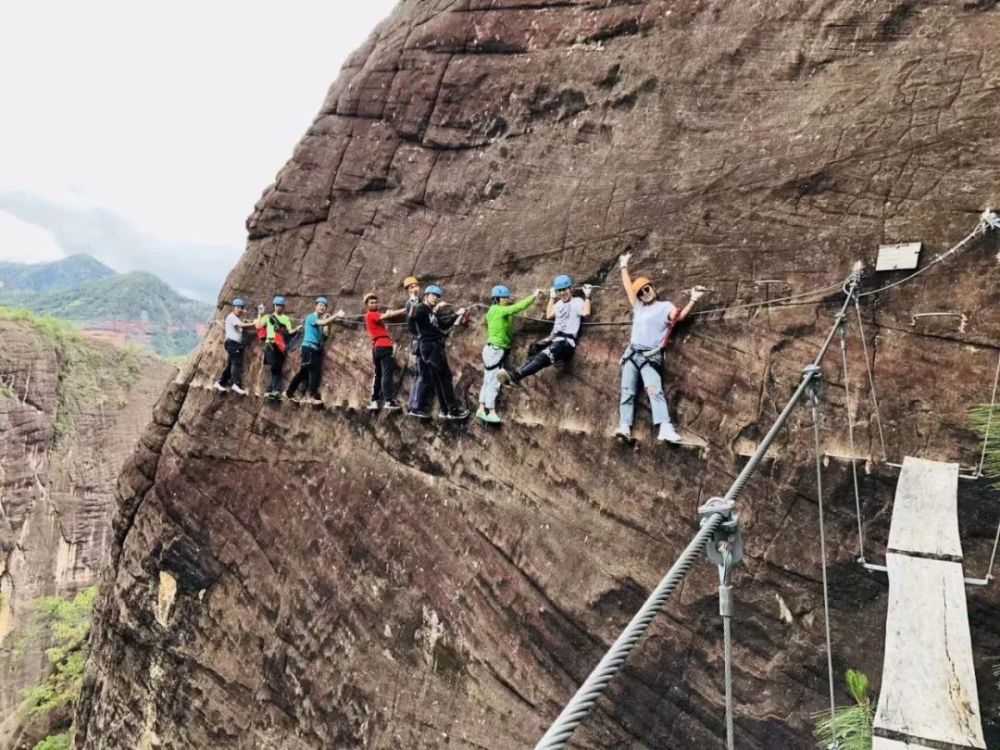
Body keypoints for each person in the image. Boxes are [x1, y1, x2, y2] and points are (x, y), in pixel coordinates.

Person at [615, 252, 705, 443]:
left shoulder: (665, 306)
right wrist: (623, 265)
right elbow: (627, 288)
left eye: (646, 289)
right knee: (627, 392)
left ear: (652, 288)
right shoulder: (638, 306)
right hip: (632, 354)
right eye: (641, 293)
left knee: (654, 391)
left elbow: (679, 317)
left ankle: (665, 427)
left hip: (650, 355)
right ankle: (624, 426)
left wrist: (693, 299)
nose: (645, 294)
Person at [499, 274, 592, 385]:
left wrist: (587, 296)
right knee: (534, 348)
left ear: (571, 289)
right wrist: (552, 298)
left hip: (566, 342)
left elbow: (586, 313)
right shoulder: (559, 304)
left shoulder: (577, 301)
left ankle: (518, 375)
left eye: (564, 290)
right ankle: (518, 372)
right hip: (554, 339)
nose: (562, 293)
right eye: (559, 291)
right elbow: (549, 315)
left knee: (543, 356)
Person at [476, 284, 542, 424]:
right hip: (496, 350)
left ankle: (481, 409)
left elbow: (507, 322)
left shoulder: (492, 312)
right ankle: (491, 411)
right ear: (497, 299)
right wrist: (534, 296)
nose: (506, 299)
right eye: (504, 298)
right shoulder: (499, 310)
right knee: (494, 382)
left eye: (507, 297)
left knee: (488, 380)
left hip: (491, 350)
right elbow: (517, 308)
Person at [407, 285, 470, 420]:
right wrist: (413, 302)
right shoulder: (422, 309)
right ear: (426, 296)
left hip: (433, 347)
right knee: (445, 377)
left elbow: (444, 325)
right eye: (433, 295)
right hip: (430, 346)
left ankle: (446, 409)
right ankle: (452, 410)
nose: (436, 298)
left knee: (439, 378)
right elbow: (412, 316)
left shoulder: (430, 312)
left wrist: (457, 314)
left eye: (437, 296)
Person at [286, 297, 339, 404]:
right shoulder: (311, 317)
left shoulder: (319, 322)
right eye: (320, 305)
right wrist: (336, 315)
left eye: (324, 306)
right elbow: (322, 323)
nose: (322, 308)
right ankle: (311, 397)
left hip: (311, 349)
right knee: (315, 372)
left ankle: (288, 392)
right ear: (316, 306)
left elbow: (325, 334)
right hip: (309, 348)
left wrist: (328, 322)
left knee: (303, 373)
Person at [363, 291, 407, 411]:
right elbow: (386, 316)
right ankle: (388, 400)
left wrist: (389, 313)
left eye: (376, 302)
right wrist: (405, 309)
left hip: (377, 347)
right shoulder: (371, 314)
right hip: (383, 345)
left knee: (379, 375)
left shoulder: (371, 315)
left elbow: (385, 315)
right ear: (367, 305)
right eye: (372, 302)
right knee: (387, 374)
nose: (375, 304)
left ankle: (375, 400)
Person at [258, 296, 299, 400]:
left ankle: (272, 390)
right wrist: (260, 313)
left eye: (280, 305)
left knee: (277, 367)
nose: (279, 307)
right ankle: (273, 389)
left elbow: (289, 331)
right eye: (277, 305)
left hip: (280, 345)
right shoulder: (268, 317)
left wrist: (297, 329)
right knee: (275, 366)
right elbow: (259, 326)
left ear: (283, 306)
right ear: (274, 306)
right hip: (270, 343)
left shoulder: (286, 319)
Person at [214, 298, 257, 395]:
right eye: (237, 307)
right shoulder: (231, 317)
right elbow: (239, 325)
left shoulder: (236, 318)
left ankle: (220, 382)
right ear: (234, 307)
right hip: (232, 344)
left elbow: (241, 324)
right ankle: (235, 384)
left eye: (241, 307)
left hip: (234, 344)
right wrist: (254, 323)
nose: (239, 309)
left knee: (230, 365)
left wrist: (246, 317)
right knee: (236, 363)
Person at [401, 276, 427, 412]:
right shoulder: (411, 303)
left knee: (419, 375)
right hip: (420, 341)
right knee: (422, 375)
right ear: (408, 291)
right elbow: (411, 319)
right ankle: (416, 407)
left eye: (416, 286)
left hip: (420, 341)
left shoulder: (419, 302)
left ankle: (413, 405)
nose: (415, 289)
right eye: (411, 287)